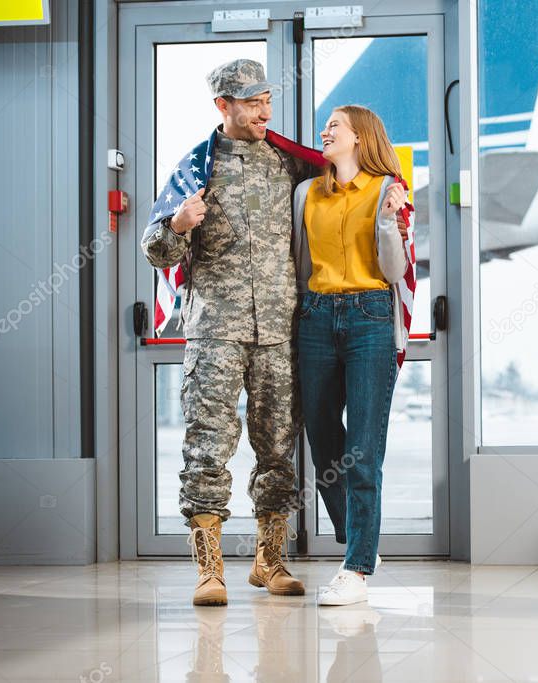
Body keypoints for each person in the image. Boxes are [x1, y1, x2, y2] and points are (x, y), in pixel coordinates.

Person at [141, 59, 321, 606]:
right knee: (207, 449)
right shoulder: (196, 168)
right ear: (224, 106)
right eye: (251, 101)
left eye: (267, 99)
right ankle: (209, 569)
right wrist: (177, 227)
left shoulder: (286, 165)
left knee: (278, 450)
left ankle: (269, 561)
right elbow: (154, 249)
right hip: (215, 331)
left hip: (278, 330)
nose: (264, 109)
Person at [291, 105, 414, 606]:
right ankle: (360, 535)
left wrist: (389, 223)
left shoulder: (389, 189)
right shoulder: (307, 193)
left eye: (335, 126)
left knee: (363, 447)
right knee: (322, 439)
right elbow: (301, 263)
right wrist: (305, 310)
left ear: (360, 137)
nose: (325, 132)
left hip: (370, 314)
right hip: (316, 315)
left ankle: (357, 566)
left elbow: (393, 269)